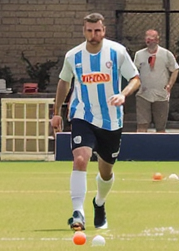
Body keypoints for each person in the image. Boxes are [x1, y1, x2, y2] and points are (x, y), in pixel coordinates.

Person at [50, 13, 140, 231]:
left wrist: (123, 95)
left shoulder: (117, 52)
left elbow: (135, 79)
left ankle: (99, 203)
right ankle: (77, 212)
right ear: (84, 31)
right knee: (80, 159)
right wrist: (56, 112)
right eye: (89, 31)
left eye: (97, 31)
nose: (93, 35)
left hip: (112, 120)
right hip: (83, 114)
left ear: (104, 30)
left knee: (106, 172)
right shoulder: (73, 56)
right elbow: (64, 82)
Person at [132, 29, 179, 133]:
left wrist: (169, 85)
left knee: (161, 126)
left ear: (157, 40)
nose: (149, 40)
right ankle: (140, 146)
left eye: (152, 38)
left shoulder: (166, 54)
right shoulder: (139, 55)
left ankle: (161, 147)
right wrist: (136, 85)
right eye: (147, 38)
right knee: (142, 124)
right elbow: (134, 72)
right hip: (143, 94)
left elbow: (175, 69)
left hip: (161, 95)